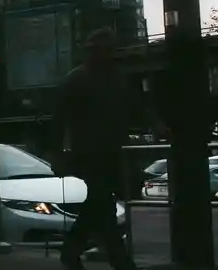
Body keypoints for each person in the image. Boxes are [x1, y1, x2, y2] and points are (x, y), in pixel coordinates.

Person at [54, 28, 159, 270]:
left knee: (97, 207)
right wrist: (57, 153)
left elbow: (137, 106)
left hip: (111, 152)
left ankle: (71, 250)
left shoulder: (116, 79)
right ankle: (119, 261)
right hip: (88, 154)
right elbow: (58, 119)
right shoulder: (76, 80)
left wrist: (155, 123)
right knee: (102, 205)